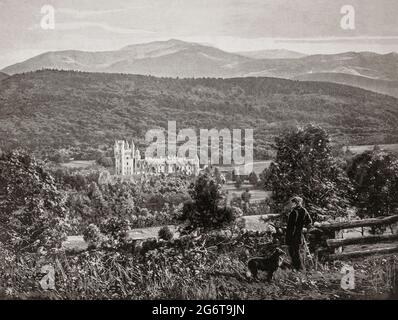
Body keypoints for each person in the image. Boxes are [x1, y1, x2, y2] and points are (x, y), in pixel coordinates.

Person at [285, 196, 312, 270]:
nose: (292, 204)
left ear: (297, 203)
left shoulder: (303, 211)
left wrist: (305, 228)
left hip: (297, 234)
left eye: (293, 202)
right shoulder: (293, 211)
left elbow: (309, 222)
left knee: (296, 251)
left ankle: (299, 268)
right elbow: (290, 225)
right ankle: (295, 267)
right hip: (290, 234)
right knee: (291, 251)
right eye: (292, 202)